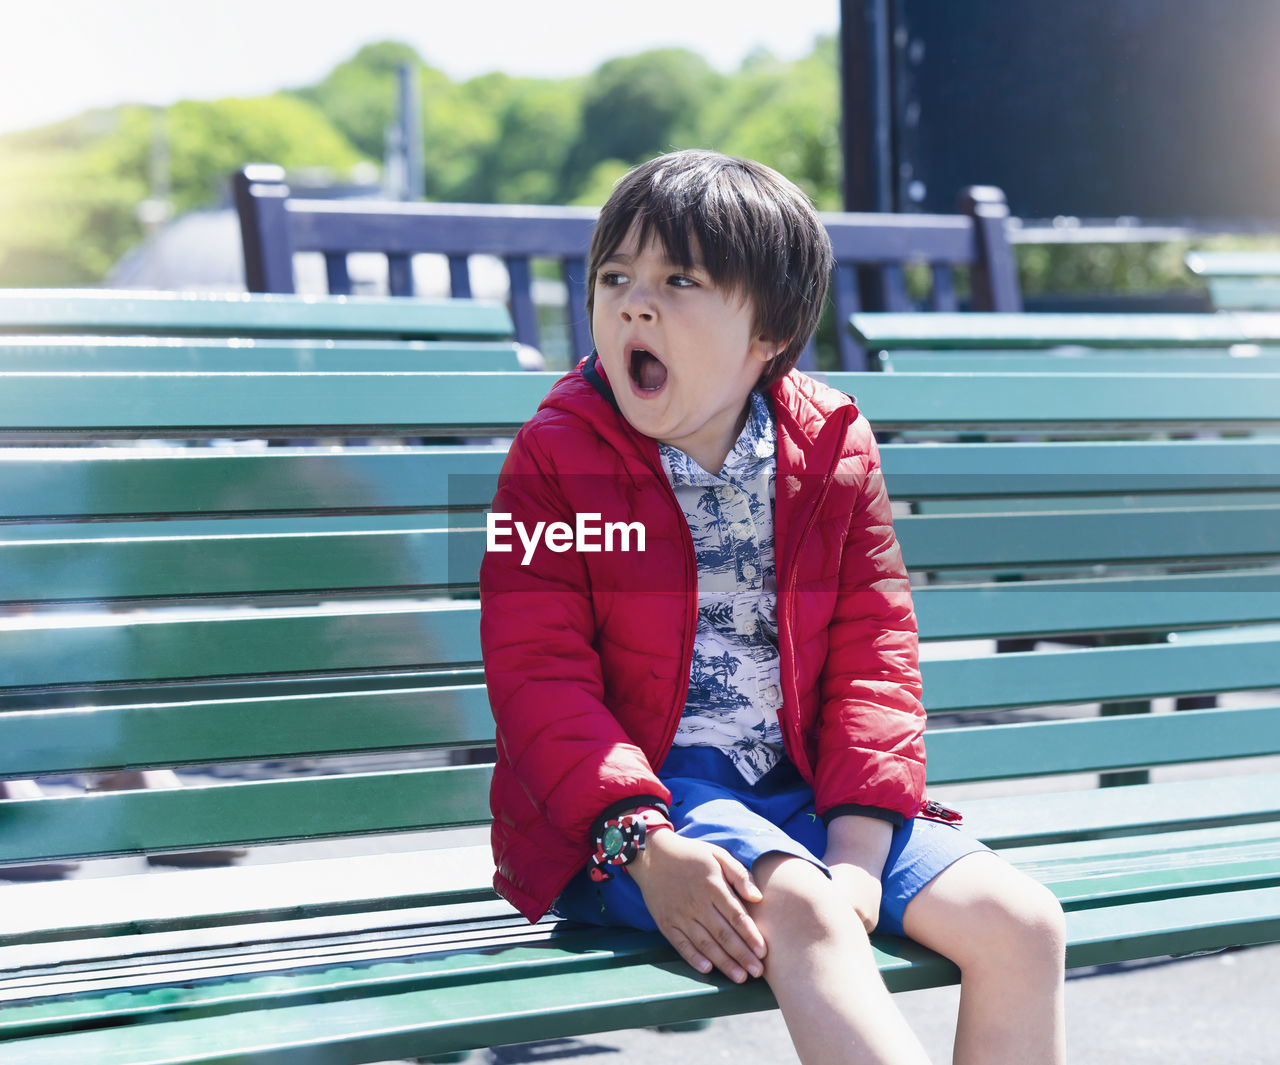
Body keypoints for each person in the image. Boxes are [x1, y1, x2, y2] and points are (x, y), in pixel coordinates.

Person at [479, 149, 1066, 1065]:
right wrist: (640, 840)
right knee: (802, 906)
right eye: (615, 277)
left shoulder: (830, 448)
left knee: (1021, 922)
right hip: (639, 813)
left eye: (680, 280)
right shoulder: (557, 461)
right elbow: (537, 677)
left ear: (770, 333)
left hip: (805, 792)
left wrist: (862, 850)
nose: (635, 302)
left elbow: (875, 653)